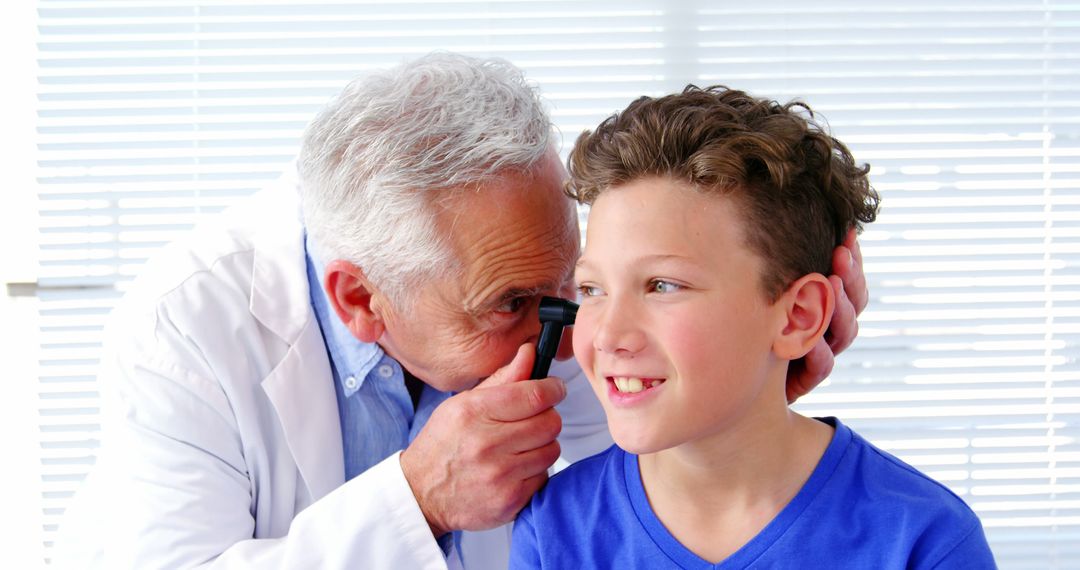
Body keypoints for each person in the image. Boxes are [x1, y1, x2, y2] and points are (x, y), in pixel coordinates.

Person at [53, 54, 868, 569]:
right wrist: (420, 498)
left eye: (570, 286)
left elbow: (634, 479)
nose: (578, 335)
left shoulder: (555, 304)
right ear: (361, 300)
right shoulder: (190, 327)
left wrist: (744, 383)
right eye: (512, 304)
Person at [510, 86, 997, 568]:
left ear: (799, 316)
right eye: (593, 290)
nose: (608, 336)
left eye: (662, 286)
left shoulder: (923, 541)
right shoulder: (555, 531)